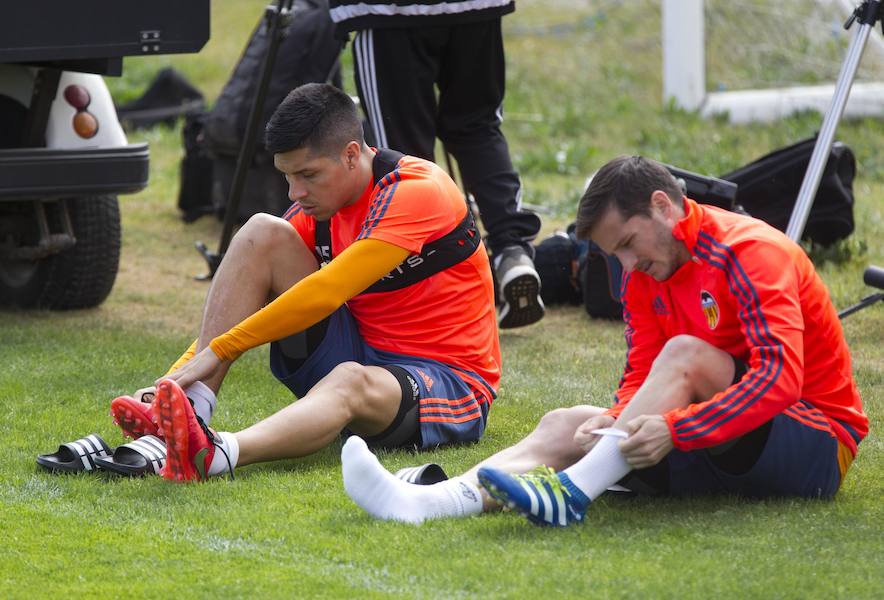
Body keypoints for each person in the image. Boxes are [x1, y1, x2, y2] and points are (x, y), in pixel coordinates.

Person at [340, 155, 868, 526]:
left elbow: (780, 380)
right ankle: (430, 501)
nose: (628, 265)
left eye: (628, 244)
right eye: (616, 254)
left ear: (663, 206)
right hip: (727, 439)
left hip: (818, 445)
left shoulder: (752, 251)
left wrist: (675, 429)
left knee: (685, 357)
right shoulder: (643, 273)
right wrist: (620, 418)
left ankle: (573, 493)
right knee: (569, 423)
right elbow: (642, 373)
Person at [110, 82, 501, 482]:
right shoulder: (317, 208)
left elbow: (326, 291)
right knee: (263, 231)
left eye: (308, 174)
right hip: (358, 357)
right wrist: (177, 377)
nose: (296, 192)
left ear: (352, 154)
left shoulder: (419, 191)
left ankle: (214, 455)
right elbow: (244, 305)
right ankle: (188, 409)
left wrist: (223, 348)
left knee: (349, 379)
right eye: (288, 177)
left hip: (446, 383)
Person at [327, 0, 544, 328]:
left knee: (401, 151)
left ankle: (429, 276)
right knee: (477, 127)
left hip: (391, 12)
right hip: (475, 7)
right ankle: (511, 250)